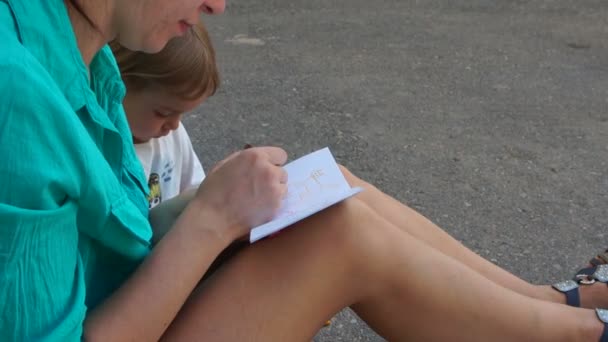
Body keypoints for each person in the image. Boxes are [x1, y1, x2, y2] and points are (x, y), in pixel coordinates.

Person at [0, 1, 607, 341]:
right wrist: (209, 219)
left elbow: (90, 248)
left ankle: (548, 305)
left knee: (329, 189)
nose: (217, 4)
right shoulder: (15, 95)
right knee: (338, 240)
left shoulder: (83, 46)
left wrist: (207, 203)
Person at [111, 23, 219, 210]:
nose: (175, 125)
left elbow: (194, 187)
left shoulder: (172, 136)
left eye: (182, 113)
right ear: (119, 87)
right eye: (164, 113)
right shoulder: (102, 148)